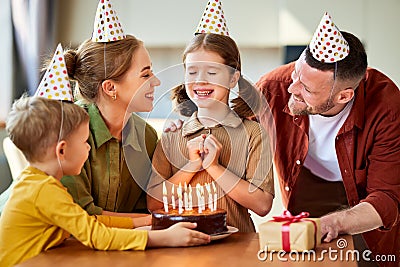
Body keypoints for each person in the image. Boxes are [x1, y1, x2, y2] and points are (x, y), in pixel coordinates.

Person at [255, 13, 399, 266]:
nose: (292, 89)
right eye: (295, 74)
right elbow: (229, 130)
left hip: (363, 209)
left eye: (307, 89)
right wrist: (186, 121)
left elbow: (387, 197)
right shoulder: (272, 87)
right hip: (304, 196)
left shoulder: (387, 105)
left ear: (344, 96)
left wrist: (334, 222)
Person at [0, 96, 210, 267]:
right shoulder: (43, 191)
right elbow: (96, 235)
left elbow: (90, 222)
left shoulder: (40, 184)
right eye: (84, 142)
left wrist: (146, 222)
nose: (89, 148)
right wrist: (163, 238)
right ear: (62, 150)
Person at [147, 0, 274, 232]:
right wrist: (193, 164)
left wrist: (215, 167)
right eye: (192, 71)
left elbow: (262, 204)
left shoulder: (253, 134)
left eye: (212, 72)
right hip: (181, 249)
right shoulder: (172, 136)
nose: (200, 81)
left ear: (233, 78)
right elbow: (154, 203)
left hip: (238, 249)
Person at [60, 0, 159, 227]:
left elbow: (145, 206)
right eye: (145, 75)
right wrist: (158, 223)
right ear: (110, 88)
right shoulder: (67, 132)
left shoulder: (148, 137)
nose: (156, 81)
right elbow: (81, 218)